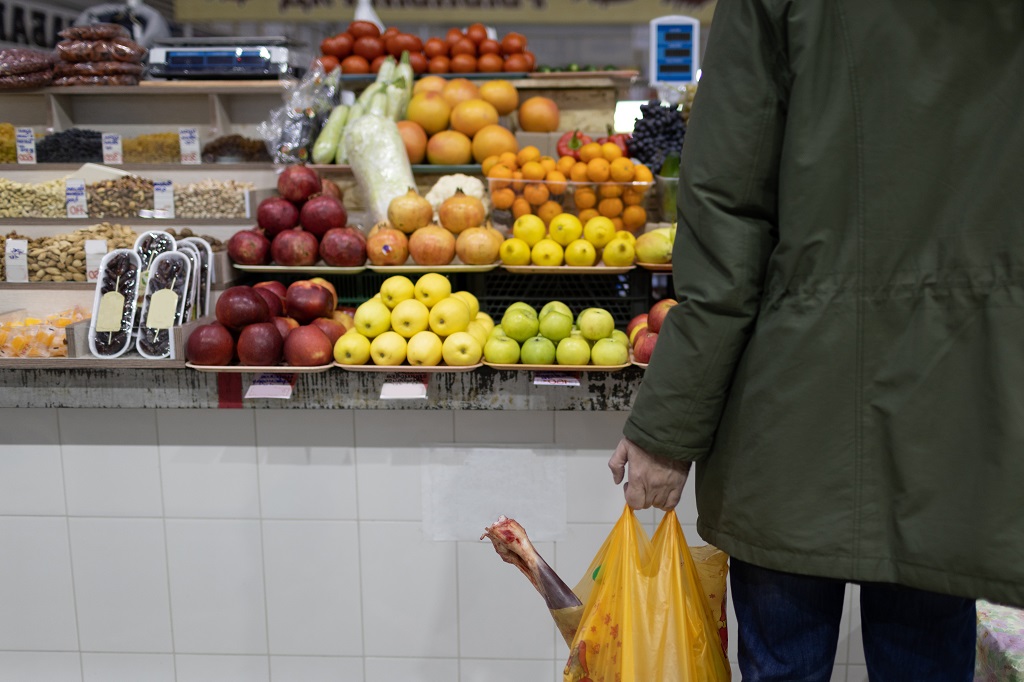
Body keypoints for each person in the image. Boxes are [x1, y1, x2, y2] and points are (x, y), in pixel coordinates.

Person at [609, 1, 1024, 680]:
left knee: (783, 665)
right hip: (957, 398)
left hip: (794, 398)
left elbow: (727, 213)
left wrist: (667, 424)